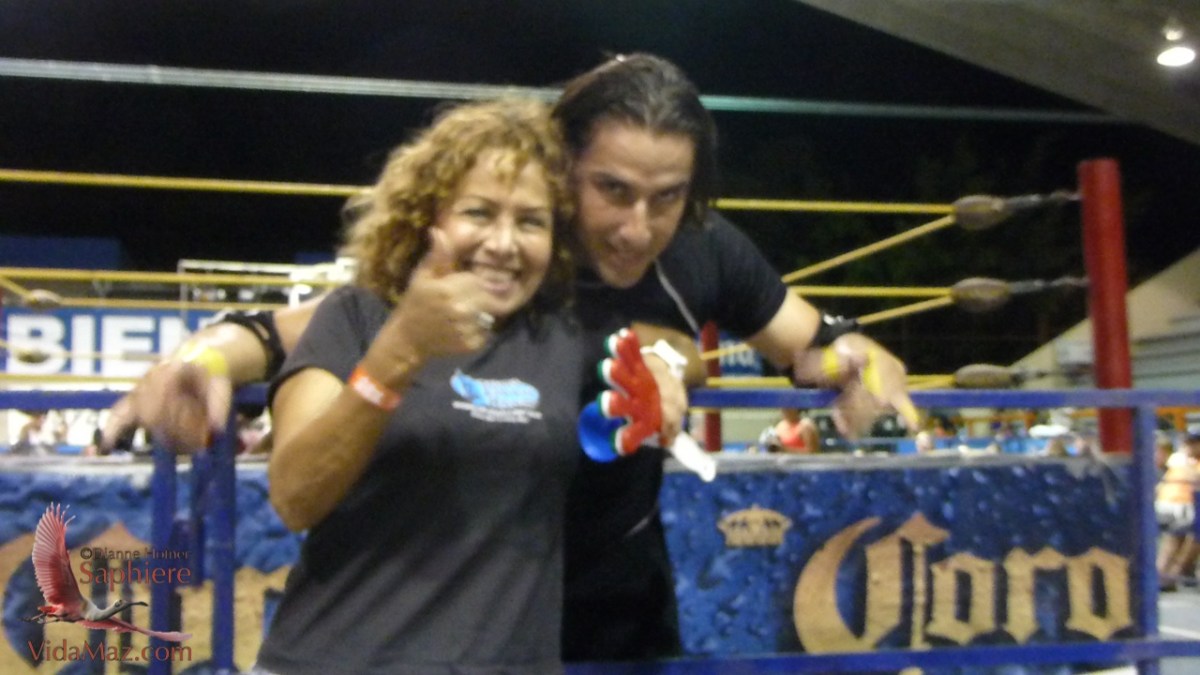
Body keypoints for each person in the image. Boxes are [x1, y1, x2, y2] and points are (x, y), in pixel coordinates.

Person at [103, 53, 919, 662]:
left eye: (667, 196)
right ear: (563, 172)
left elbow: (820, 347)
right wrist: (202, 358)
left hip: (610, 603)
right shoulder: (492, 255)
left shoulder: (701, 249)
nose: (638, 226)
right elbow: (309, 328)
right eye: (613, 190)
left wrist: (868, 373)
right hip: (435, 605)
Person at [254, 98, 601, 674]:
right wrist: (401, 350)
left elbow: (664, 341)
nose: (504, 243)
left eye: (531, 221)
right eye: (479, 213)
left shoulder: (562, 336)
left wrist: (665, 367)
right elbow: (295, 496)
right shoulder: (357, 317)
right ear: (427, 219)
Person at [1156, 430, 1200, 590]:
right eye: (1188, 443)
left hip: (1186, 505)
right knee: (1174, 540)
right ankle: (1164, 576)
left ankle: (1175, 574)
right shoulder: (1181, 459)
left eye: (1193, 444)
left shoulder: (1189, 462)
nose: (1189, 447)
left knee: (1188, 540)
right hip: (1174, 505)